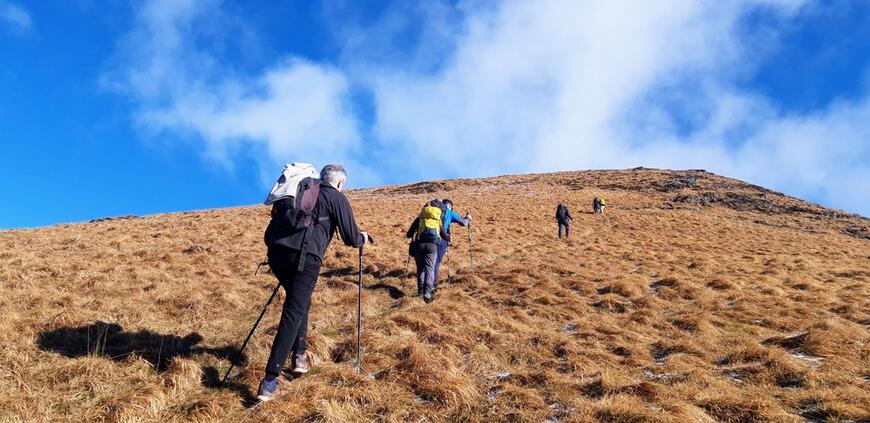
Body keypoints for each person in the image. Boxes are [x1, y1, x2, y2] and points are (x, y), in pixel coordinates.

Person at [257, 164, 370, 402]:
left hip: (277, 254)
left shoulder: (305, 189)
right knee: (293, 311)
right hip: (305, 258)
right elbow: (351, 237)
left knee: (300, 303)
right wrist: (364, 238)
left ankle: (299, 357)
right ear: (339, 182)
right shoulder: (336, 197)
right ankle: (270, 379)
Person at [406, 199, 446, 303]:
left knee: (420, 269)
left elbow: (409, 234)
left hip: (419, 245)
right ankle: (427, 293)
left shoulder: (420, 218)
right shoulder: (437, 219)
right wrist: (449, 238)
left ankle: (420, 291)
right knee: (429, 269)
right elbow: (444, 235)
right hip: (432, 247)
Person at [433, 199, 471, 288]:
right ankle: (432, 284)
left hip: (426, 236)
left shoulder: (435, 211)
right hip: (441, 239)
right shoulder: (449, 212)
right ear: (450, 206)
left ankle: (423, 283)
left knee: (429, 260)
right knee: (436, 261)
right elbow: (463, 222)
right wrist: (468, 218)